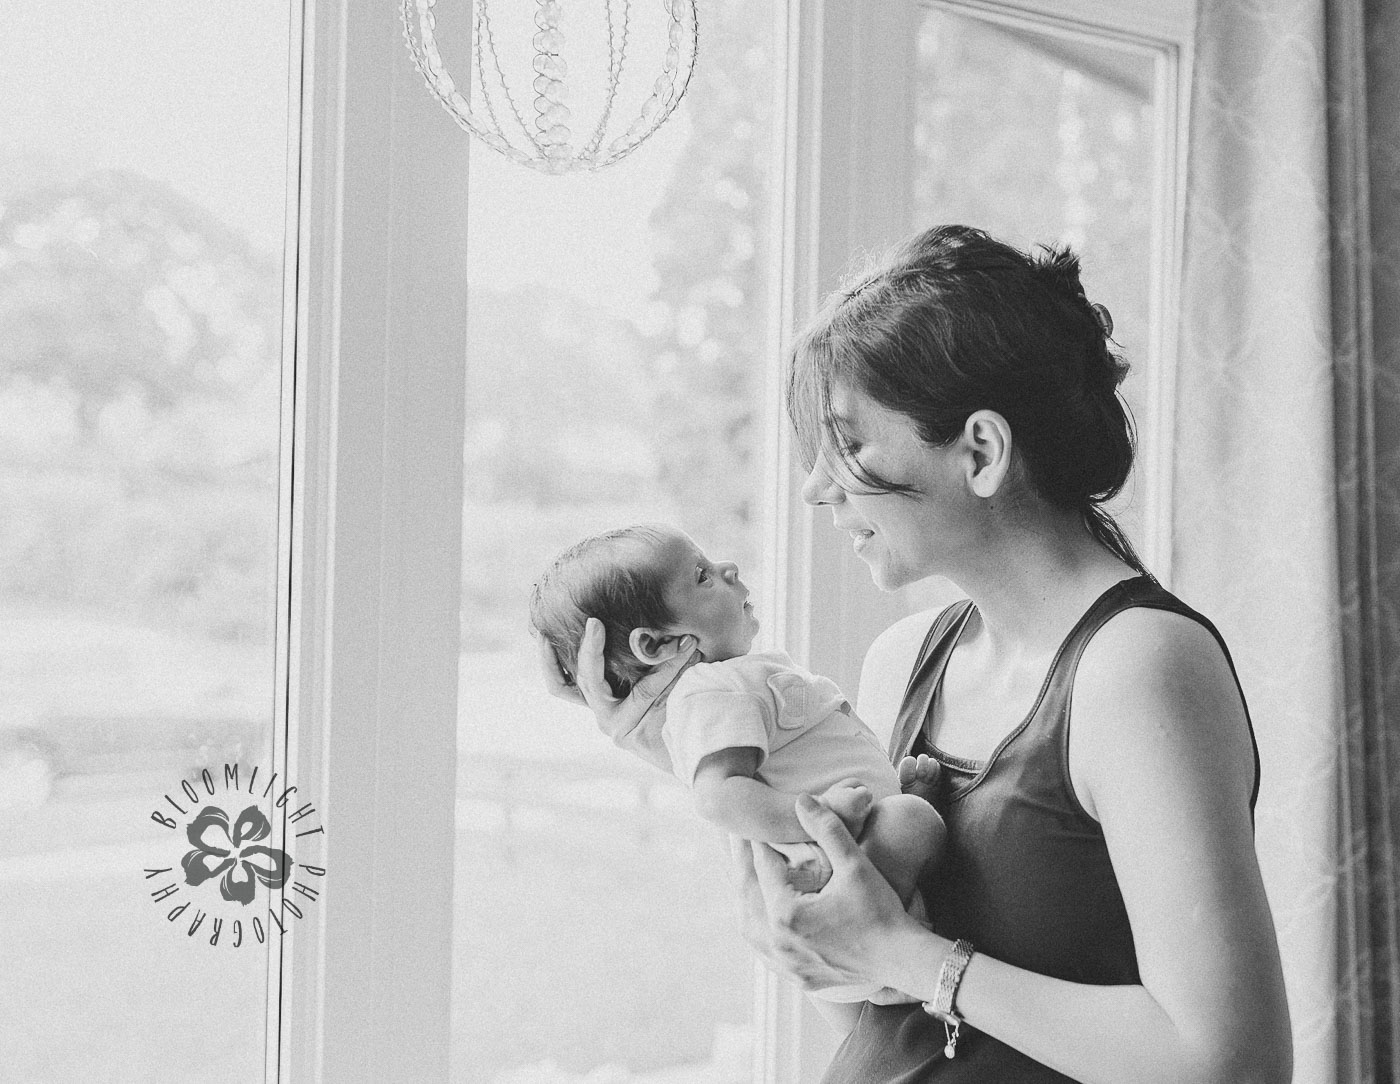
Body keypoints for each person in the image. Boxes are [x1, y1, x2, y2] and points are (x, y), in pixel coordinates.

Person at [540, 224, 1292, 1083]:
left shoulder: (1140, 667)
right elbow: (881, 1019)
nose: (820, 486)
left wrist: (913, 956)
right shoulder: (903, 658)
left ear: (981, 450)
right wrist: (689, 762)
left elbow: (1231, 1062)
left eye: (850, 445)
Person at [530, 524, 947, 1001]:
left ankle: (900, 952)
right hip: (825, 877)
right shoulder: (713, 689)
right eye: (702, 576)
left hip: (835, 881)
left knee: (910, 818)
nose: (728, 568)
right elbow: (718, 796)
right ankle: (898, 957)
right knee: (912, 821)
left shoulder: (724, 686)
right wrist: (816, 814)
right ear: (657, 645)